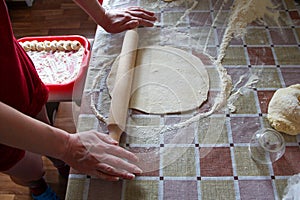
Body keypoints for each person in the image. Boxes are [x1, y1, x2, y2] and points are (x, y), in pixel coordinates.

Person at [0, 0, 156, 199]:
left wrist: (102, 16)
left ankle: (61, 163)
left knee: (42, 121)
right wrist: (66, 146)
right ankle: (38, 186)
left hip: (12, 68)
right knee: (27, 166)